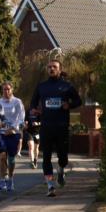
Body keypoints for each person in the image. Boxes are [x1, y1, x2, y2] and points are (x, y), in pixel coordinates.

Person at [30, 59, 81, 197]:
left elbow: (78, 100)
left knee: (62, 157)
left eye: (54, 67)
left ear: (59, 69)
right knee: (46, 157)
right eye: (49, 67)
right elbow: (33, 104)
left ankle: (61, 170)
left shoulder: (66, 86)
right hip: (46, 127)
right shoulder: (42, 86)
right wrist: (35, 111)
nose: (51, 69)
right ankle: (50, 185)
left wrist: (68, 105)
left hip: (62, 127)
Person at [0, 81, 25, 191]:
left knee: (11, 159)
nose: (6, 91)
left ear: (12, 90)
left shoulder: (17, 102)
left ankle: (11, 179)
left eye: (8, 89)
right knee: (2, 156)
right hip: (1, 133)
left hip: (13, 133)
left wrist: (13, 128)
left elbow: (21, 117)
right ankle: (3, 180)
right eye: (4, 89)